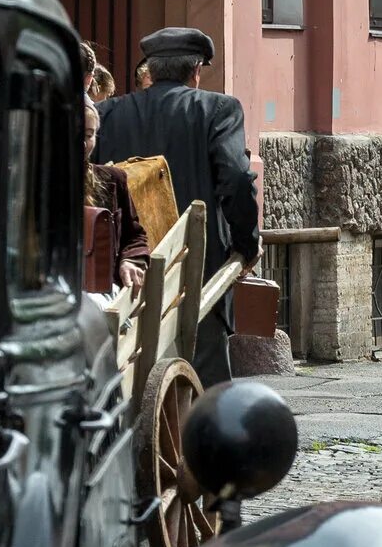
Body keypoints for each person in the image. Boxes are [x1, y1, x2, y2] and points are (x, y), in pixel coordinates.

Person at [95, 26, 260, 386]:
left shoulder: (106, 113)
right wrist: (246, 245)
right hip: (196, 269)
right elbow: (236, 177)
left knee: (124, 376)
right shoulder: (219, 109)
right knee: (205, 385)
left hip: (125, 272)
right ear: (196, 71)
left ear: (149, 71)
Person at [82, 100, 148, 292]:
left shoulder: (112, 179)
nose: (83, 143)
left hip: (102, 294)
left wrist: (129, 261)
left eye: (89, 135)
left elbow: (134, 235)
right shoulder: (35, 183)